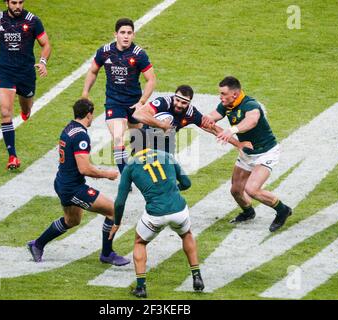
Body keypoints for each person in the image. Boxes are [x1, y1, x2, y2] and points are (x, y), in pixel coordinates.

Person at [27, 99, 130, 266]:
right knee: (113, 210)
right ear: (88, 114)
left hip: (62, 181)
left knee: (72, 221)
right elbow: (84, 169)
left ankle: (37, 244)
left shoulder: (69, 128)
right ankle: (107, 253)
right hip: (73, 188)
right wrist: (106, 174)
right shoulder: (81, 135)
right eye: (92, 114)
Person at [109, 128, 204, 298]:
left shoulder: (130, 166)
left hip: (155, 214)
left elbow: (120, 201)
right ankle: (197, 277)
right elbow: (187, 183)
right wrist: (174, 189)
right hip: (179, 210)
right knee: (186, 234)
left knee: (140, 242)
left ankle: (141, 287)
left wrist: (117, 222)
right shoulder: (166, 155)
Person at [207, 76, 292, 232]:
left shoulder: (250, 105)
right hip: (247, 153)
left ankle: (283, 210)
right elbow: (209, 119)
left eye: (223, 94)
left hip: (265, 153)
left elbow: (251, 121)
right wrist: (198, 119)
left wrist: (232, 130)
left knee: (252, 189)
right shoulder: (226, 104)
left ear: (235, 94)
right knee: (236, 191)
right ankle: (248, 212)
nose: (220, 97)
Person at [0, 0, 51, 169]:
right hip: (5, 72)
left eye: (20, 2)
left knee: (26, 106)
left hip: (26, 73)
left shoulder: (32, 20)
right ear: (6, 2)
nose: (17, 6)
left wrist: (43, 62)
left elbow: (45, 43)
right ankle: (13, 156)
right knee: (5, 111)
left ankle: (26, 111)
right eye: (14, 2)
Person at [81, 18, 156, 173]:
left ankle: (139, 171)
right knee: (118, 138)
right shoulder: (105, 51)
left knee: (140, 142)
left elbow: (151, 80)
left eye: (129, 33)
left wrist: (142, 102)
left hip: (134, 103)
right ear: (115, 34)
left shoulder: (139, 54)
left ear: (133, 35)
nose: (126, 36)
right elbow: (93, 71)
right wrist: (85, 92)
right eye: (122, 32)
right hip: (114, 103)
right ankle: (125, 177)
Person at [132, 84, 252, 154]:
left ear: (189, 103)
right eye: (177, 100)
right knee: (137, 160)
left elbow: (214, 129)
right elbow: (138, 114)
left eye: (184, 103)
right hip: (146, 135)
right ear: (174, 97)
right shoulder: (164, 103)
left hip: (166, 140)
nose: (179, 104)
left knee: (167, 172)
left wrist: (238, 144)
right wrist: (161, 124)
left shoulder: (191, 113)